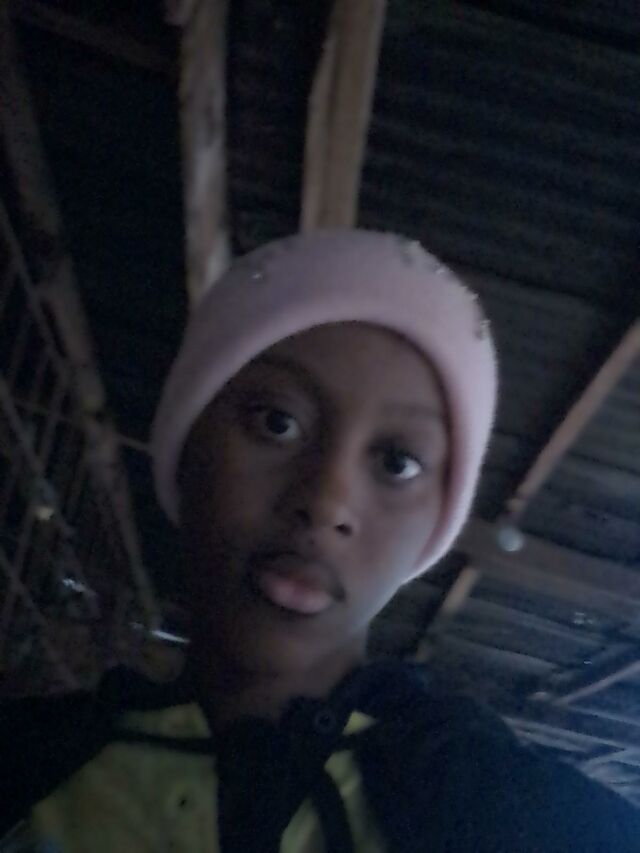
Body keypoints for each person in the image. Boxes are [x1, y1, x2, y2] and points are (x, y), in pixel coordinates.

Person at [3, 230, 639, 852]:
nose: (327, 501)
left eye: (397, 463)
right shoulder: (28, 772)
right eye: (277, 422)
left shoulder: (518, 818)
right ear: (187, 441)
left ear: (435, 526)